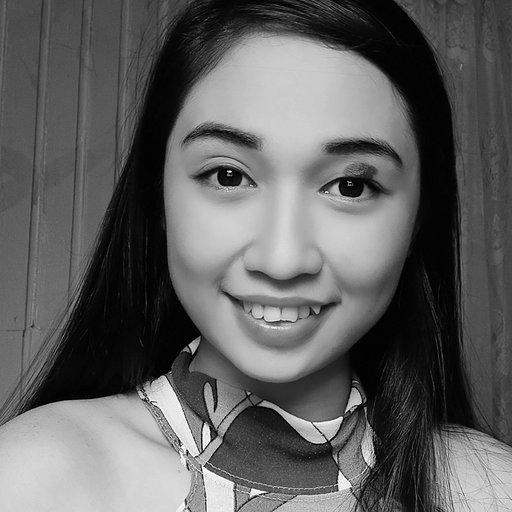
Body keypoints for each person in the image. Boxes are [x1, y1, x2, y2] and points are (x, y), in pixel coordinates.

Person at [0, 0, 511, 510]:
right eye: (228, 176)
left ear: (419, 215)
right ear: (159, 196)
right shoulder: (36, 479)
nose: (282, 260)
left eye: (350, 186)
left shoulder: (490, 489)